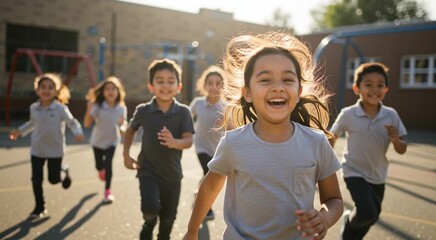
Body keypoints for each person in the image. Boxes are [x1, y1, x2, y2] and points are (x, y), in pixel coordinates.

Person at [183, 32, 343, 240]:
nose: (278, 86)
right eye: (265, 80)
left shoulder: (316, 142)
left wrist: (325, 218)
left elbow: (334, 200)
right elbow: (210, 186)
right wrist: (192, 230)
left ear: (298, 91)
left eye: (287, 79)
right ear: (247, 93)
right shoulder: (233, 143)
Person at [329, 62, 407, 240]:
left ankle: (351, 235)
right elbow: (331, 137)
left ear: (386, 89)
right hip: (353, 171)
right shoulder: (348, 113)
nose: (374, 89)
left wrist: (396, 140)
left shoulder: (391, 115)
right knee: (366, 212)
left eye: (380, 85)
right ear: (357, 88)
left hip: (378, 174)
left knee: (372, 215)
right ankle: (349, 228)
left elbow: (402, 149)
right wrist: (325, 165)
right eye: (368, 84)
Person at [123, 58, 195, 240]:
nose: (165, 85)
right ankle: (148, 224)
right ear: (151, 86)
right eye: (160, 81)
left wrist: (174, 142)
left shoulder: (183, 112)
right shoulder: (143, 111)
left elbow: (188, 141)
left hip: (172, 175)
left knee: (168, 218)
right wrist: (126, 155)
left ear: (178, 87)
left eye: (170, 81)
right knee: (150, 209)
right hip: (147, 171)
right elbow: (130, 132)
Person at [9, 73, 84, 220]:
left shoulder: (60, 109)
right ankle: (39, 207)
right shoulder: (34, 108)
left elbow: (72, 122)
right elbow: (32, 123)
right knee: (36, 180)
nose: (46, 90)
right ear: (37, 90)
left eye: (50, 87)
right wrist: (19, 132)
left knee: (54, 179)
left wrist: (78, 132)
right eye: (43, 87)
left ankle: (64, 171)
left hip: (55, 151)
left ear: (56, 91)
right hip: (37, 150)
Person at [189, 65, 227, 221]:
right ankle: (207, 208)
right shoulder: (198, 103)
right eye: (210, 83)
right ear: (204, 86)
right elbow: (187, 118)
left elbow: (232, 128)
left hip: (218, 149)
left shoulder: (226, 107)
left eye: (218, 83)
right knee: (206, 172)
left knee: (208, 176)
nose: (214, 86)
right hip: (201, 146)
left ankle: (199, 194)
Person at [83, 76, 127, 203]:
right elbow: (86, 124)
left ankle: (108, 192)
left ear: (118, 92)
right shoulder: (98, 106)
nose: (110, 91)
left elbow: (123, 123)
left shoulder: (121, 108)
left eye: (113, 89)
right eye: (107, 89)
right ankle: (100, 170)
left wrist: (123, 128)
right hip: (97, 142)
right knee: (99, 166)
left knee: (109, 165)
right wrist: (88, 110)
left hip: (112, 141)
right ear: (103, 92)